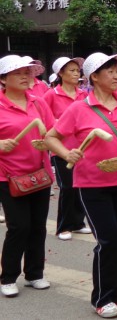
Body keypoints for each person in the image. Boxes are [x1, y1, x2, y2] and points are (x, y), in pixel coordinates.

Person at [45, 52, 117, 318]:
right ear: (94, 76)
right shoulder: (79, 108)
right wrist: (67, 154)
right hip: (92, 185)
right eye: (110, 71)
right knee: (108, 240)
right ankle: (101, 298)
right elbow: (51, 136)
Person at [0, 56, 54, 298]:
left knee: (37, 227)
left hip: (38, 175)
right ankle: (8, 276)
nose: (25, 76)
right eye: (18, 72)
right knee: (19, 226)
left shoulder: (38, 102)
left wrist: (51, 142)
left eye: (28, 72)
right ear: (3, 79)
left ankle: (35, 273)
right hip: (7, 176)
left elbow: (53, 131)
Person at [42, 56, 92, 241]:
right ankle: (63, 226)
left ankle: (78, 223)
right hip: (61, 149)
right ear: (60, 73)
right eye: (70, 70)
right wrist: (59, 123)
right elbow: (43, 119)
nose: (75, 73)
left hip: (82, 148)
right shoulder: (51, 95)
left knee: (80, 186)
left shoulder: (83, 95)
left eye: (77, 70)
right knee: (67, 187)